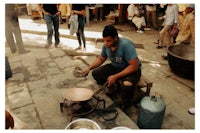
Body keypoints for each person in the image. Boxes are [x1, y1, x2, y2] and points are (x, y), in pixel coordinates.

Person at [82, 25, 142, 109]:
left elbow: (134, 66)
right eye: (104, 41)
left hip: (130, 69)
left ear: (116, 38)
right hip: (116, 67)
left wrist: (115, 76)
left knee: (127, 85)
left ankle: (125, 104)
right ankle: (112, 88)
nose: (106, 43)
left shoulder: (126, 45)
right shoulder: (106, 46)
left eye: (109, 41)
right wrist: (89, 67)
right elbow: (101, 58)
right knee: (96, 73)